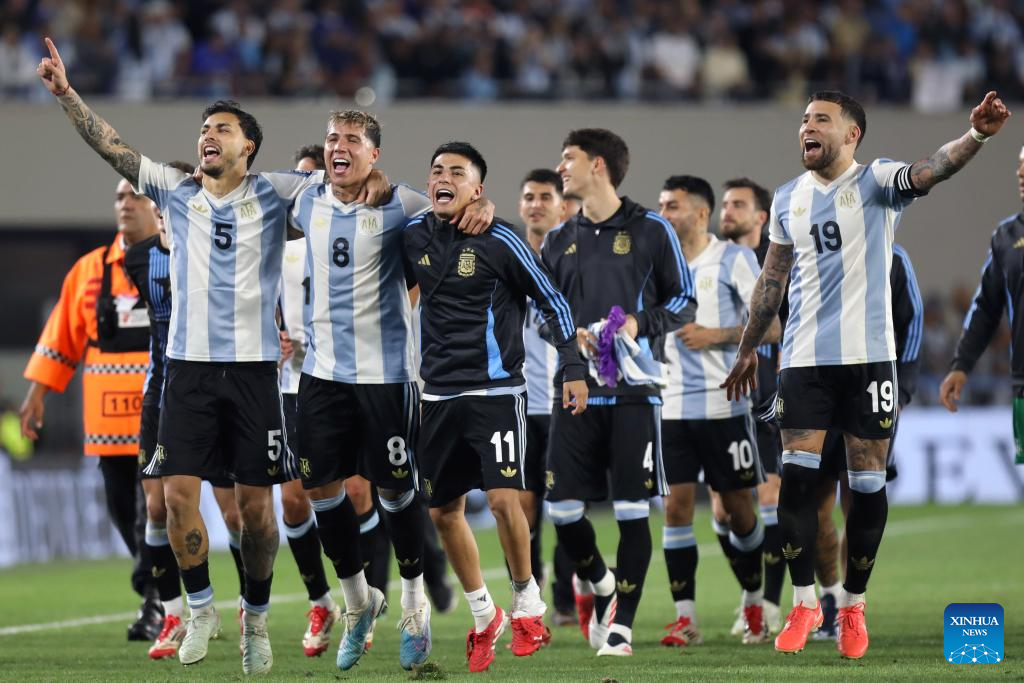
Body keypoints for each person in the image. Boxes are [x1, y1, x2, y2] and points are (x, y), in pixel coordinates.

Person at [35, 36, 388, 674]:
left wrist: (382, 182)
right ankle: (200, 609)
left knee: (256, 513)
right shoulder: (175, 190)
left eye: (222, 129)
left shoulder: (278, 192)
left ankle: (257, 619)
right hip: (187, 373)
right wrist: (67, 95)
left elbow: (347, 181)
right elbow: (112, 146)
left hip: (254, 375)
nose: (208, 136)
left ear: (247, 146)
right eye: (204, 129)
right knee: (176, 498)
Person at [721, 90, 1010, 659]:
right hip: (804, 361)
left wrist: (976, 134)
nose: (808, 127)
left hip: (869, 360)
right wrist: (749, 347)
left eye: (821, 119)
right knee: (796, 483)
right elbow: (770, 283)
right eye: (805, 119)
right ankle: (805, 603)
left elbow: (935, 167)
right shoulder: (787, 198)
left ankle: (853, 605)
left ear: (851, 134)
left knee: (867, 487)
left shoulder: (877, 181)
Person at [289, 113, 493, 672]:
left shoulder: (403, 203)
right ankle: (358, 602)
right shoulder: (305, 196)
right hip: (321, 374)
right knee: (320, 488)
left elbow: (457, 208)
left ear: (374, 155)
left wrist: (484, 207)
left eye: (353, 141)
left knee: (397, 493)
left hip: (387, 377)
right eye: (333, 138)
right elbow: (244, 190)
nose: (339, 147)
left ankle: (413, 606)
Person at [405, 141, 588, 673]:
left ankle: (527, 602)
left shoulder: (501, 237)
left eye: (456, 173)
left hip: (496, 392)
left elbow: (552, 300)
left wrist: (573, 366)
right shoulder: (412, 234)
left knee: (507, 500)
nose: (443, 178)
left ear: (477, 189)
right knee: (443, 512)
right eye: (436, 170)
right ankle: (485, 614)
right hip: (437, 395)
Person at [542, 129, 696, 657]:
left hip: (634, 392)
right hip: (575, 392)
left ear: (598, 166)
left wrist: (636, 322)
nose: (561, 167)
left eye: (569, 158)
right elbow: (543, 314)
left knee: (632, 509)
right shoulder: (557, 240)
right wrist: (571, 335)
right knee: (563, 511)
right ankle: (602, 583)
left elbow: (684, 301)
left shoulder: (651, 229)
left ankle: (621, 627)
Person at [20, 178, 159, 641]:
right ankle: (160, 587)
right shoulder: (89, 269)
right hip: (108, 416)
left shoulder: (174, 261)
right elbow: (61, 338)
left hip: (163, 408)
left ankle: (156, 596)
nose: (125, 204)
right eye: (119, 197)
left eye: (135, 195)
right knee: (121, 506)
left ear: (157, 206)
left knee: (153, 506)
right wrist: (37, 394)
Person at [125, 168, 249, 659]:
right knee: (158, 507)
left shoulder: (218, 248)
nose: (163, 210)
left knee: (233, 510)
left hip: (216, 393)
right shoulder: (138, 259)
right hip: (160, 395)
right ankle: (176, 611)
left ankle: (247, 602)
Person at [657, 175, 778, 648]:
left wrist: (717, 336)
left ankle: (754, 599)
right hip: (669, 404)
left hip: (723, 405)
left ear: (701, 213)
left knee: (737, 511)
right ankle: (685, 619)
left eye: (673, 206)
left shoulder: (734, 259)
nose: (664, 214)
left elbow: (772, 328)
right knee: (675, 507)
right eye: (661, 205)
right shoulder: (656, 261)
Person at [812, 241, 923, 640]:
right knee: (814, 509)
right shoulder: (815, 247)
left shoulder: (893, 257)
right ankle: (828, 594)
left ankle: (849, 601)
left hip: (870, 391)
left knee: (856, 501)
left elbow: (912, 325)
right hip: (818, 390)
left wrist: (901, 391)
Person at [277, 144, 344, 658]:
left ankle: (366, 595)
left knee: (357, 495)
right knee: (294, 500)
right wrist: (271, 334)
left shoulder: (352, 234)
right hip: (291, 385)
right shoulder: (275, 246)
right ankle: (321, 600)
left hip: (346, 379)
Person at [718, 177, 787, 635]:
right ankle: (751, 592)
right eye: (725, 203)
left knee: (769, 498)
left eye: (738, 204)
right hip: (719, 402)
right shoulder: (709, 261)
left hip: (767, 401)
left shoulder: (778, 264)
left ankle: (771, 604)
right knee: (723, 512)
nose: (727, 211)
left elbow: (785, 329)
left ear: (761, 217)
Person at [940, 145, 1024, 464]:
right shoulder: (1007, 237)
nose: (1020, 173)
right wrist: (961, 365)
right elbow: (986, 307)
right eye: (1019, 165)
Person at [517, 168, 568, 609]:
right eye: (529, 197)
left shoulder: (575, 264)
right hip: (518, 404)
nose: (536, 204)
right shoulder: (505, 260)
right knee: (523, 505)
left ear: (563, 207)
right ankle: (530, 594)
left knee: (567, 505)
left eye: (545, 197)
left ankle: (569, 596)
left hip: (566, 402)